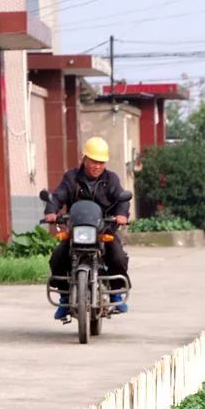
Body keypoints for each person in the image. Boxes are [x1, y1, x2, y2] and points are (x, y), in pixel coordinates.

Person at [44, 137, 131, 319]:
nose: (97, 166)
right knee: (58, 258)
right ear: (84, 158)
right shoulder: (72, 178)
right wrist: (52, 210)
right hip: (77, 230)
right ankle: (65, 298)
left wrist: (122, 214)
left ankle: (115, 293)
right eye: (93, 161)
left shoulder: (111, 179)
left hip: (103, 230)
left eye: (101, 162)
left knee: (117, 255)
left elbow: (121, 199)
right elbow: (58, 196)